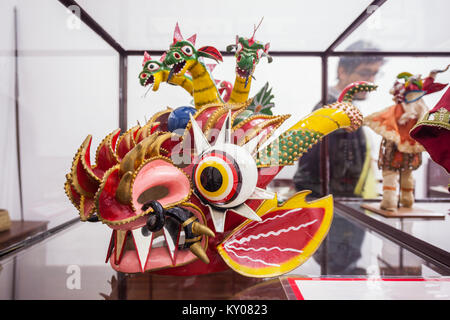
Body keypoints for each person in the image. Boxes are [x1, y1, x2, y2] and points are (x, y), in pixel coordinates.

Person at [293, 40, 384, 199]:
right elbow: (310, 172)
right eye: (364, 73)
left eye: (374, 73)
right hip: (334, 206)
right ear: (342, 71)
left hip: (342, 203)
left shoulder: (344, 108)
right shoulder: (331, 110)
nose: (371, 81)